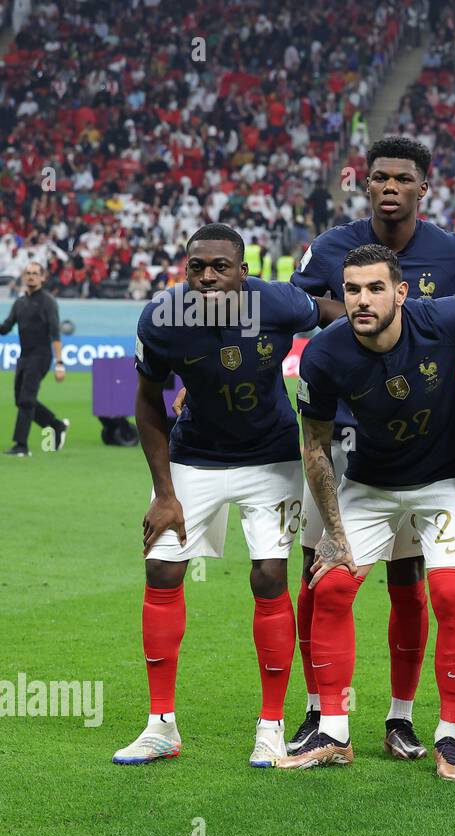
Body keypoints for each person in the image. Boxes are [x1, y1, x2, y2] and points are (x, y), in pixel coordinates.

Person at [289, 135, 455, 762]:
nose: (388, 186)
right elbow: (294, 309)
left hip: (429, 446)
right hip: (350, 449)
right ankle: (324, 712)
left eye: (402, 178)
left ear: (421, 186)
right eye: (378, 177)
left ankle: (408, 721)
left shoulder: (452, 256)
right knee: (320, 572)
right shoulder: (330, 249)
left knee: (418, 582)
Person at [113, 223, 332, 768]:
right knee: (162, 569)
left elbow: (333, 313)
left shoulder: (279, 302)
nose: (207, 277)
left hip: (271, 456)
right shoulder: (163, 317)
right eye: (197, 267)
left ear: (243, 271)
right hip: (194, 457)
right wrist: (164, 492)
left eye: (220, 266)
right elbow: (146, 403)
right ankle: (160, 724)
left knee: (270, 575)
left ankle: (272, 727)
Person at [2, 262, 68, 457]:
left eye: (35, 273)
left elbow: (55, 334)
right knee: (21, 400)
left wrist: (59, 363)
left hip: (41, 356)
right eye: (28, 273)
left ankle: (21, 445)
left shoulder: (48, 302)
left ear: (42, 277)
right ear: (23, 276)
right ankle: (56, 425)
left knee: (26, 399)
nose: (31, 276)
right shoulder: (19, 303)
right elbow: (6, 327)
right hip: (24, 356)